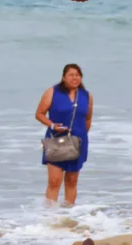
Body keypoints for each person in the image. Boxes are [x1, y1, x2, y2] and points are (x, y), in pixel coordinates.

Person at [35, 64, 93, 206]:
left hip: (77, 142)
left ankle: (68, 215)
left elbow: (88, 118)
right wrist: (52, 125)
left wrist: (82, 135)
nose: (75, 78)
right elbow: (39, 114)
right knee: (54, 182)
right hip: (56, 141)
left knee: (72, 181)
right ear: (63, 77)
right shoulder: (52, 92)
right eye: (71, 75)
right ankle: (50, 217)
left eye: (78, 75)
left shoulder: (86, 95)